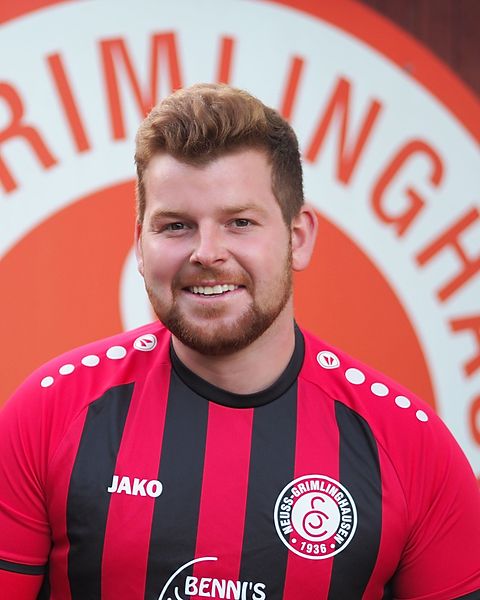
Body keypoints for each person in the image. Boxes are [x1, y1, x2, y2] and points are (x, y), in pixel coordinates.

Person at [0, 83, 479, 600]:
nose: (207, 252)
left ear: (298, 238)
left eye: (240, 223)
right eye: (176, 226)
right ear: (140, 244)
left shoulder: (409, 445)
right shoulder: (50, 413)